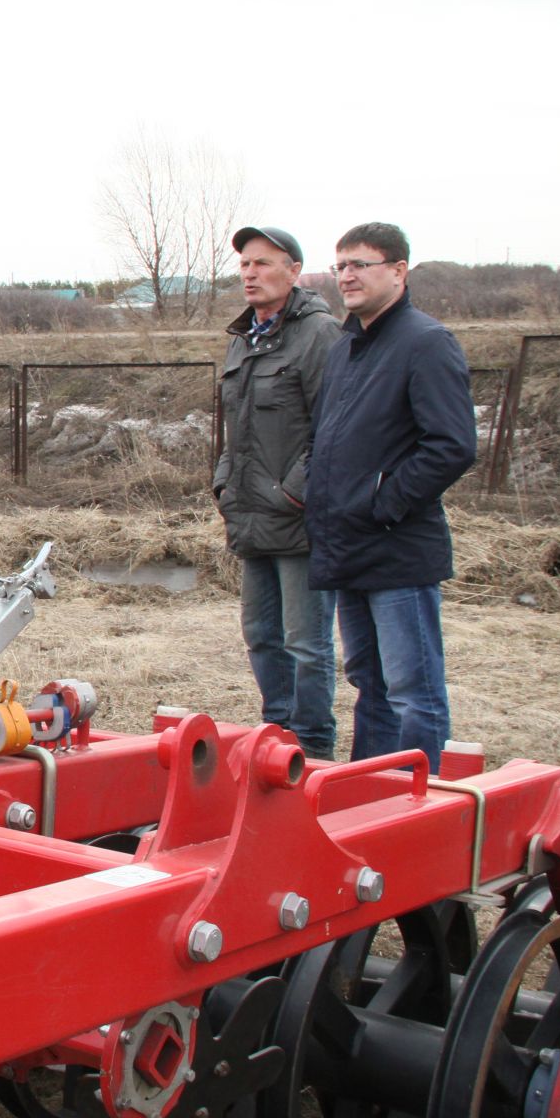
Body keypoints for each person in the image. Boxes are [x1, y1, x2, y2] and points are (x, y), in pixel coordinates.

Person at [305, 223, 477, 770]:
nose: (348, 276)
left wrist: (383, 504)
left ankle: (418, 806)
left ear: (399, 272)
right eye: (341, 266)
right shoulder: (346, 348)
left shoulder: (425, 342)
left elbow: (451, 445)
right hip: (349, 547)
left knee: (412, 690)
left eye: (361, 264)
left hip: (398, 548)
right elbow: (326, 438)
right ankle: (368, 798)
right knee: (370, 686)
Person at [214, 226, 344, 760]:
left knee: (306, 644)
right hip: (250, 514)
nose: (250, 274)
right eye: (245, 265)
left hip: (297, 519)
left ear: (294, 271)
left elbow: (333, 431)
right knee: (261, 635)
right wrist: (225, 482)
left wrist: (295, 494)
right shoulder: (243, 339)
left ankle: (312, 748)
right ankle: (278, 737)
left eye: (263, 264)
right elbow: (234, 430)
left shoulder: (319, 334)